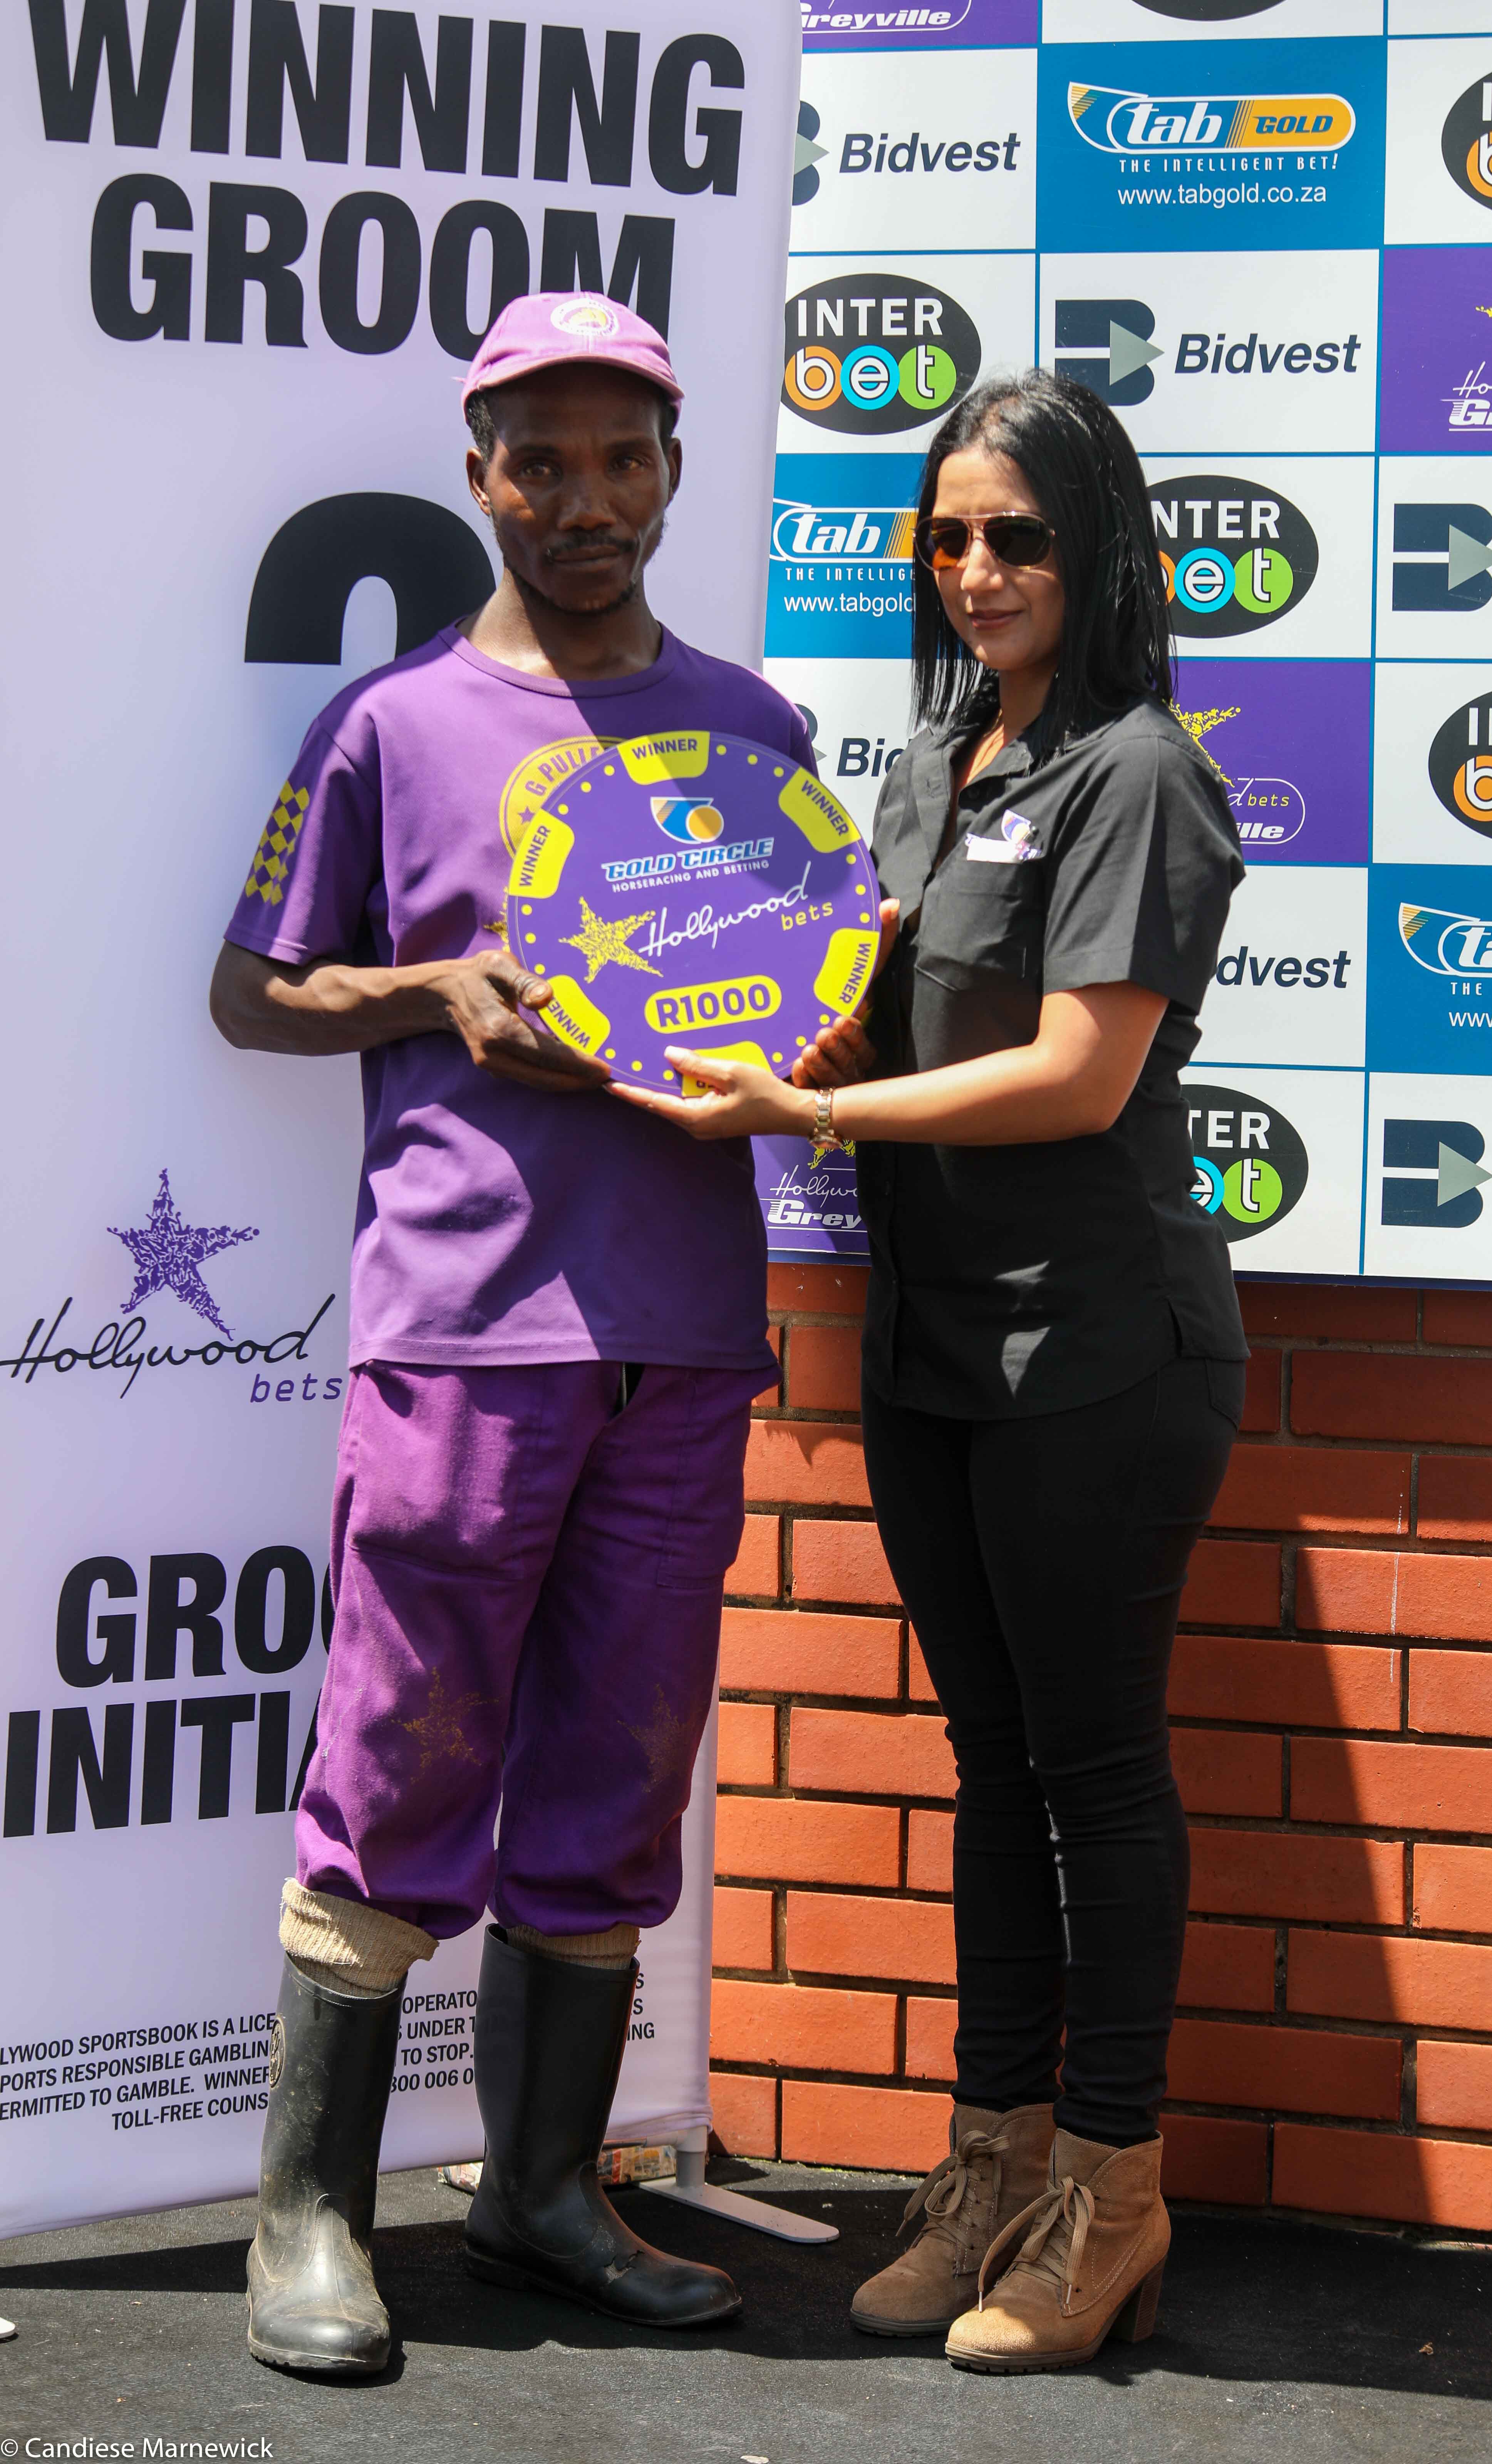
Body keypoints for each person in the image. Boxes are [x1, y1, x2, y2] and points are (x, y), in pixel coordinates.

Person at [611, 369, 1247, 2375]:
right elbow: (893, 1029)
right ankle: (990, 2169)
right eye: (947, 536)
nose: (977, 570)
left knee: (1093, 1769)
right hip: (930, 1339)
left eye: (1018, 536)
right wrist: (801, 1048)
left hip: (1099, 1347)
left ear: (1098, 546)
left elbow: (1076, 1074)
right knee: (991, 1764)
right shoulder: (920, 765)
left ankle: (1110, 2198)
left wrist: (813, 1119)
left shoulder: (1140, 771)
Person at [210, 291, 813, 2375]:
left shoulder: (750, 728)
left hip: (685, 1334)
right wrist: (433, 990)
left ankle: (546, 2193)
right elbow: (251, 990)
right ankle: (307, 2215)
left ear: (672, 473)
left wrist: (817, 1036)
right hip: (464, 1327)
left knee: (622, 1766)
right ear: (479, 475)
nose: (585, 499)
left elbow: (794, 1001)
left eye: (621, 459)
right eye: (540, 462)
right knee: (401, 1753)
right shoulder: (386, 726)